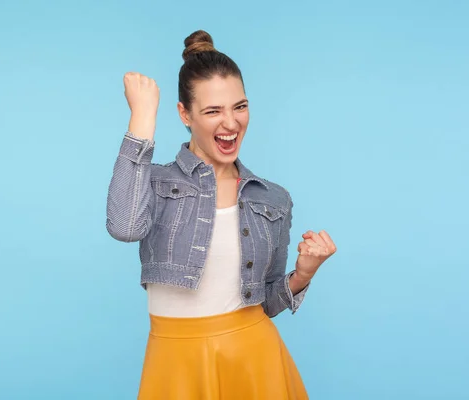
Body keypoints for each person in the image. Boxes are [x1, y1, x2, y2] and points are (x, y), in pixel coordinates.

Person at [106, 30, 337, 400]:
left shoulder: (273, 199)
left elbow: (265, 302)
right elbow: (124, 225)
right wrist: (142, 119)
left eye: (239, 106)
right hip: (175, 360)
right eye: (213, 111)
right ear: (184, 113)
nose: (230, 123)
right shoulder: (156, 181)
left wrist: (304, 275)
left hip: (254, 357)